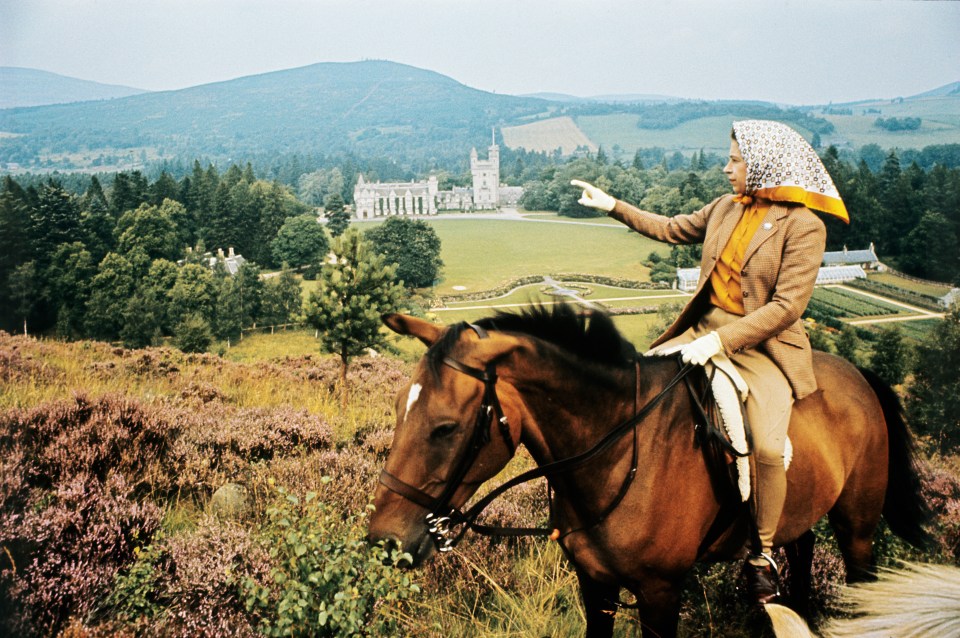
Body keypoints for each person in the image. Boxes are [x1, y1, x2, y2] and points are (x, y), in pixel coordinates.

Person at [572, 119, 849, 605]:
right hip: (700, 330)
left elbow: (786, 308)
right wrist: (613, 205)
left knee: (765, 446)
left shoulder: (806, 226)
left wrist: (722, 344)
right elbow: (671, 227)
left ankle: (762, 555)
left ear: (764, 167)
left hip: (761, 346)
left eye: (736, 161)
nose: (727, 169)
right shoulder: (725, 208)